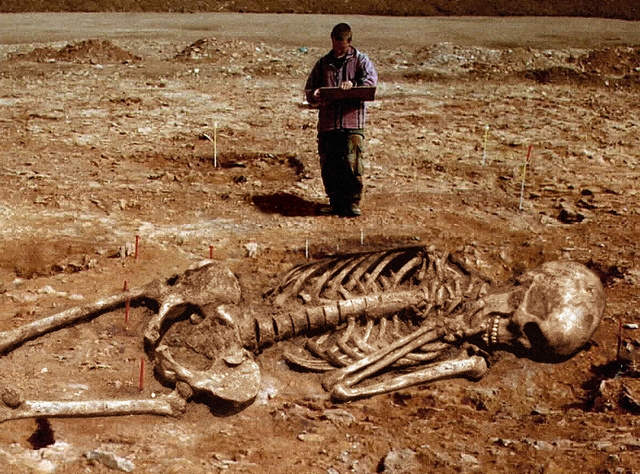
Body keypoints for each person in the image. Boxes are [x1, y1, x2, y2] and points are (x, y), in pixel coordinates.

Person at [305, 23, 378, 217]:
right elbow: (310, 88)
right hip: (329, 124)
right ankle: (336, 202)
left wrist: (354, 84)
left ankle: (352, 202)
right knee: (330, 164)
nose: (338, 49)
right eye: (335, 44)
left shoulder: (361, 60)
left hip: (352, 122)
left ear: (349, 42)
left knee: (352, 164)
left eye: (342, 45)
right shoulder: (323, 63)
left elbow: (371, 81)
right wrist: (315, 93)